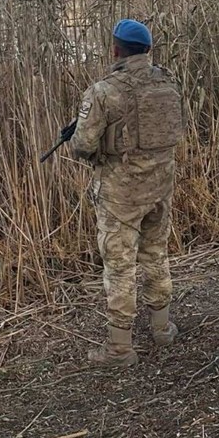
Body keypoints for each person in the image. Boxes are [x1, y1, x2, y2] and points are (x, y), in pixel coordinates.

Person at [69, 19, 184, 365]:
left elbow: (83, 146)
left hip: (120, 195)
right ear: (148, 50)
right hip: (160, 188)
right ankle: (162, 329)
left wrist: (82, 138)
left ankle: (120, 348)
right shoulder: (169, 82)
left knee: (120, 267)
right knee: (156, 254)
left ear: (115, 50)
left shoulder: (104, 91)